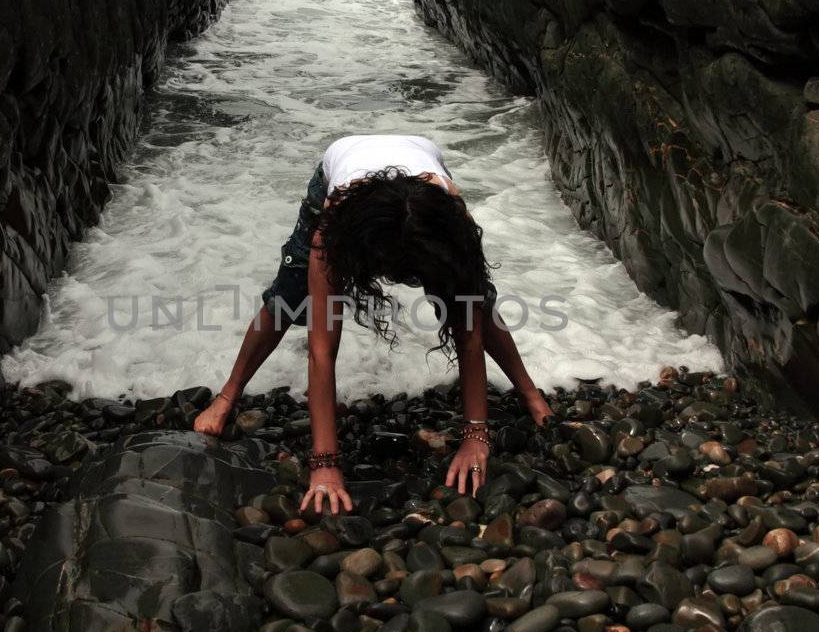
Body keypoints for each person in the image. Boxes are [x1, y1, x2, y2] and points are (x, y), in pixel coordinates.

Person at [193, 133, 553, 514]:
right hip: (343, 179)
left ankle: (529, 392)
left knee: (476, 304)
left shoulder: (450, 224)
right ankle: (228, 395)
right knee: (284, 300)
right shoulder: (331, 232)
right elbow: (321, 350)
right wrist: (325, 465)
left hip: (423, 192)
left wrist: (476, 435)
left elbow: (468, 335)